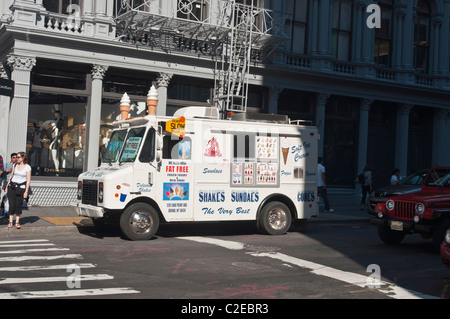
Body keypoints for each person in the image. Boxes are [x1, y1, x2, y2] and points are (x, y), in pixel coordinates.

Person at [6, 152, 31, 229]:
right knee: (12, 204)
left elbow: (28, 180)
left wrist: (26, 191)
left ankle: (17, 222)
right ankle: (10, 221)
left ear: (23, 158)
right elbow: (11, 175)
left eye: (18, 157)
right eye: (16, 157)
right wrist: (7, 186)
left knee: (18, 204)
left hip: (21, 188)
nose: (16, 158)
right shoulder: (15, 165)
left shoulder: (27, 167)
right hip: (12, 186)